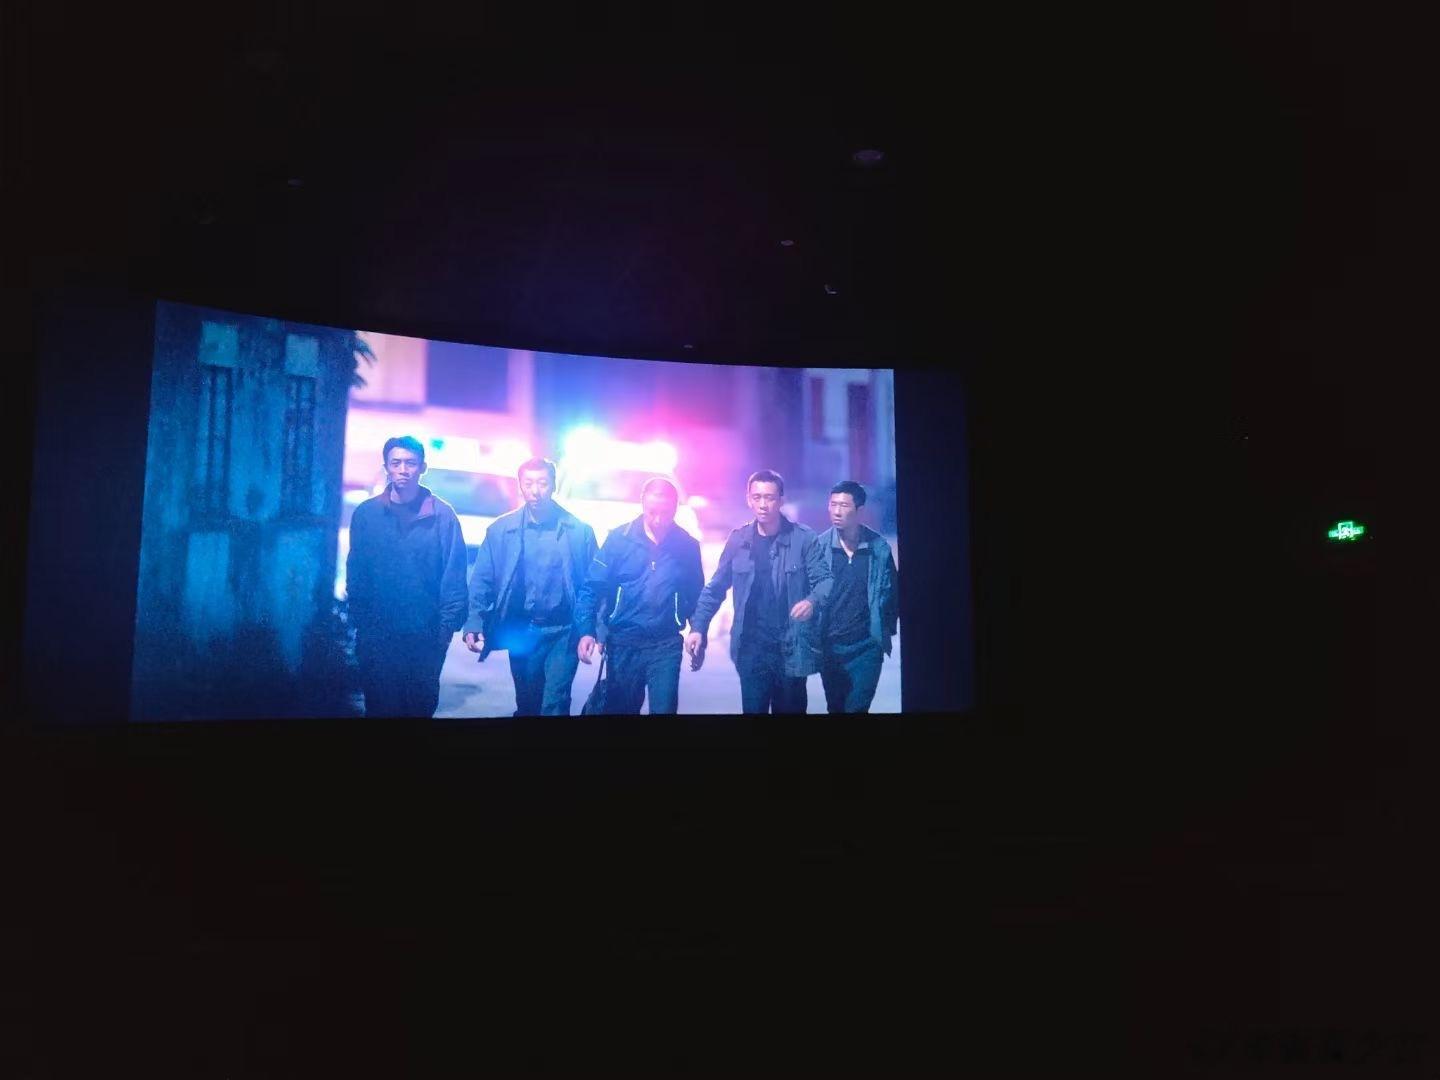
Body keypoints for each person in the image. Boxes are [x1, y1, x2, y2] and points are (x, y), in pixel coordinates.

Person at [686, 469, 833, 714]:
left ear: (781, 500)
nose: (763, 504)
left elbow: (825, 581)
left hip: (791, 649)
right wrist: (698, 628)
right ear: (749, 500)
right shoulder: (738, 540)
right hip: (751, 649)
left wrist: (812, 601)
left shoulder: (803, 539)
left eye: (770, 497)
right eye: (757, 497)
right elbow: (715, 588)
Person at [345, 435, 469, 717]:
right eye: (396, 463)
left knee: (419, 707)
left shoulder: (442, 516)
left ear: (422, 467)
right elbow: (357, 571)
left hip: (425, 635)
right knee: (380, 707)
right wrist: (362, 620)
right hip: (378, 634)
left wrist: (445, 630)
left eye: (410, 463)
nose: (403, 470)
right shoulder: (367, 514)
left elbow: (453, 576)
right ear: (386, 467)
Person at [462, 457, 597, 716]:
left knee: (555, 703)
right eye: (529, 483)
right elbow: (482, 580)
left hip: (564, 631)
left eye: (542, 483)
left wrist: (591, 630)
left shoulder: (579, 532)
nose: (535, 491)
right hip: (522, 629)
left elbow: (593, 586)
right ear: (520, 486)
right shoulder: (501, 531)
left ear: (554, 485)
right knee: (527, 704)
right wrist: (474, 622)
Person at [573, 477, 705, 714]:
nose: (658, 520)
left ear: (676, 508)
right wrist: (587, 631)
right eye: (652, 512)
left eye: (665, 513)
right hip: (623, 642)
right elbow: (591, 587)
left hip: (666, 644)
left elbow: (696, 595)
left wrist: (698, 630)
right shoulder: (618, 540)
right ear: (642, 503)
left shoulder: (687, 546)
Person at [815, 480, 899, 713]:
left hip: (866, 648)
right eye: (833, 505)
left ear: (859, 510)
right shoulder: (818, 548)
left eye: (843, 505)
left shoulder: (879, 548)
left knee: (858, 708)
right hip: (831, 648)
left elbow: (893, 594)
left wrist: (883, 631)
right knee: (836, 707)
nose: (836, 511)